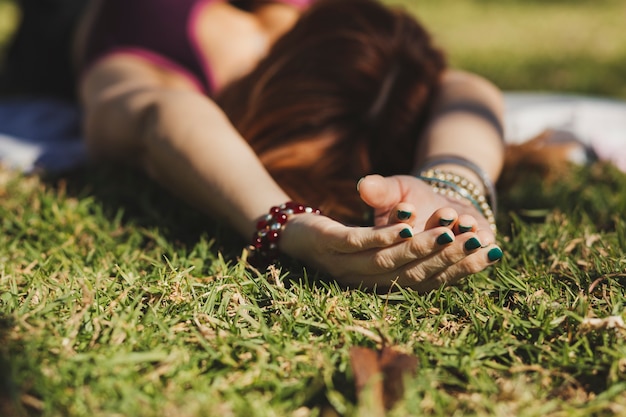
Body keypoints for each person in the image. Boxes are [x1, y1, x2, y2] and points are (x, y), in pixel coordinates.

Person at [70, 0, 504, 292]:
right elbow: (163, 116)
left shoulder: (351, 40)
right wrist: (289, 225)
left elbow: (463, 88)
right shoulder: (145, 53)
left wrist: (455, 186)